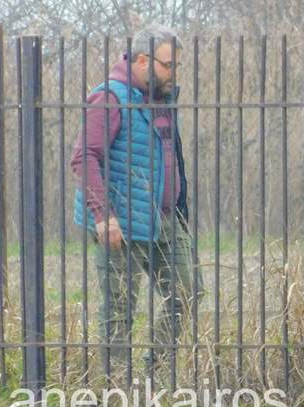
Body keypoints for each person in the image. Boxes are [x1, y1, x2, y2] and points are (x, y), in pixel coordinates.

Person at [70, 24, 202, 380]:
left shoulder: (160, 100)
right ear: (143, 60)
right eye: (168, 65)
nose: (174, 73)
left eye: (176, 66)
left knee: (187, 294)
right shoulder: (110, 98)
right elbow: (85, 157)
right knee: (119, 310)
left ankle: (152, 374)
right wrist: (103, 216)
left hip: (165, 218)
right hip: (121, 223)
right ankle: (115, 387)